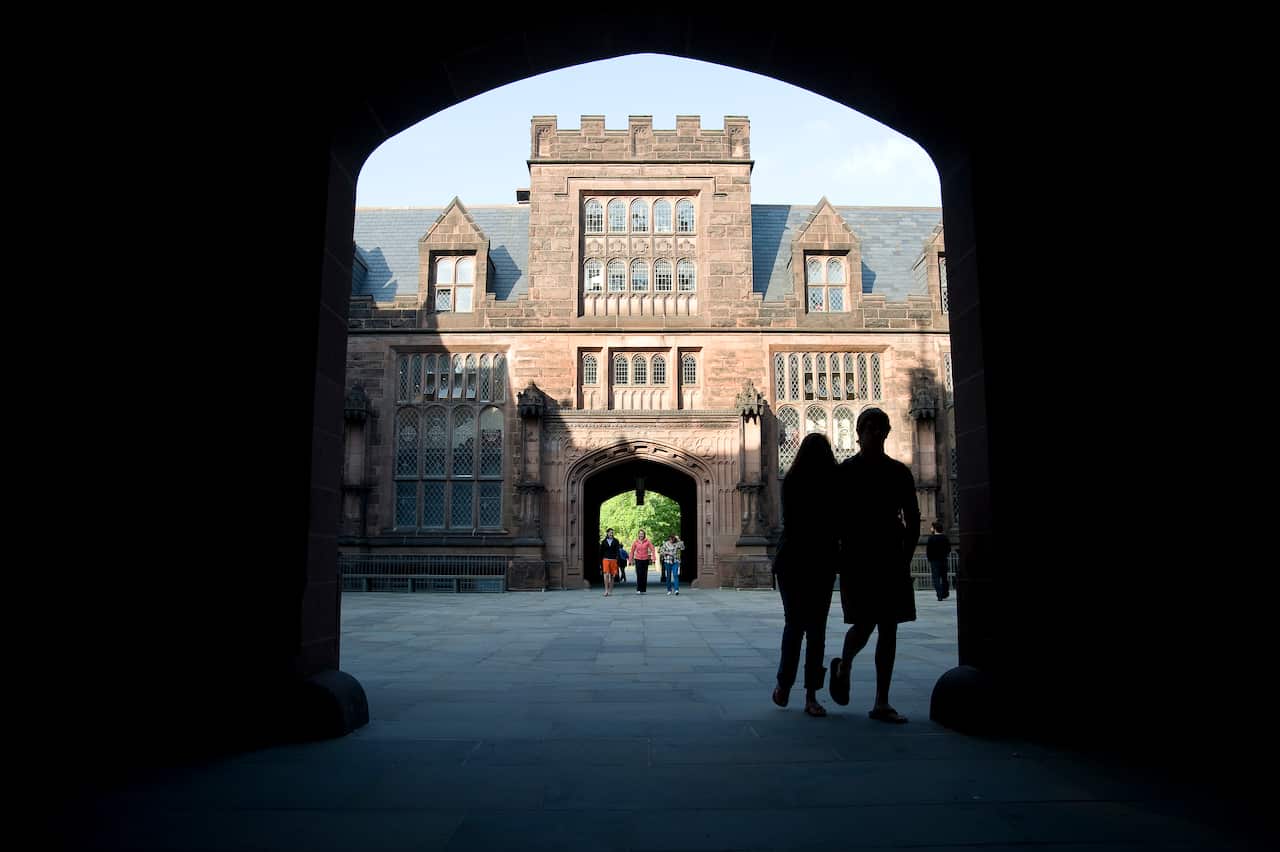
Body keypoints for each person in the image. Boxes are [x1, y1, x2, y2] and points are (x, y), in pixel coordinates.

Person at [828, 407, 921, 724]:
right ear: (859, 432)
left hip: (890, 555)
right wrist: (840, 555)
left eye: (881, 428)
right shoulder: (846, 472)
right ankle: (845, 665)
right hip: (858, 556)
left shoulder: (899, 472)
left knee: (890, 627)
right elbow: (835, 518)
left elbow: (913, 517)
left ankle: (882, 701)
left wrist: (905, 554)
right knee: (865, 623)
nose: (876, 434)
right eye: (870, 428)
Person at [771, 433, 840, 717]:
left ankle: (784, 686)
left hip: (794, 560)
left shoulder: (792, 480)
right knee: (815, 630)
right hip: (816, 560)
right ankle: (811, 695)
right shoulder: (832, 483)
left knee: (794, 626)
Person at [926, 519, 951, 601]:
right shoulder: (945, 538)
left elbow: (928, 550)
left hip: (934, 561)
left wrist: (930, 559)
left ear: (934, 528)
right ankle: (945, 593)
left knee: (936, 578)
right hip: (943, 560)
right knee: (944, 577)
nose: (931, 529)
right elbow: (949, 549)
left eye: (931, 527)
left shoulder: (931, 539)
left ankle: (939, 595)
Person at [630, 529, 655, 594]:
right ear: (638, 535)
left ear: (644, 535)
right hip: (638, 559)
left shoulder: (647, 541)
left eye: (642, 534)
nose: (641, 535)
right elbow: (632, 551)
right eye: (640, 534)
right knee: (639, 574)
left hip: (645, 559)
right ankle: (638, 589)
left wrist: (653, 557)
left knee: (644, 574)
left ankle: (643, 589)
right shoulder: (635, 542)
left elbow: (652, 549)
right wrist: (631, 559)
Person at [599, 527, 622, 597]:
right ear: (607, 533)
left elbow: (618, 551)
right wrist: (600, 562)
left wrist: (617, 560)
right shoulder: (603, 542)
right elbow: (601, 552)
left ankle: (610, 591)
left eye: (612, 533)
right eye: (610, 532)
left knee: (612, 576)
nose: (611, 534)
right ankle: (606, 590)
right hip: (605, 559)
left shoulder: (616, 541)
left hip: (613, 560)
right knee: (606, 575)